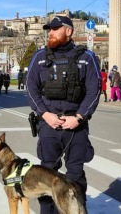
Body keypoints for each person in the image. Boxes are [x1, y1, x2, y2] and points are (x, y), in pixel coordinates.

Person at [26, 16, 100, 213]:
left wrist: (79, 117)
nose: (50, 32)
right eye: (49, 29)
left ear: (68, 31)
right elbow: (30, 89)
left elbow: (94, 91)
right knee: (47, 175)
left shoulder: (87, 58)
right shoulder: (40, 57)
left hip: (76, 125)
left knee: (75, 175)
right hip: (49, 124)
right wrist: (44, 114)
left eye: (55, 29)